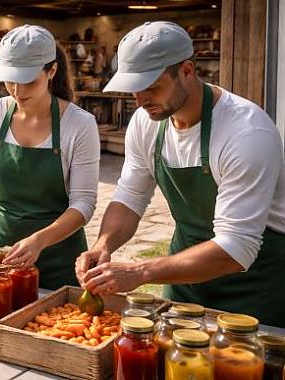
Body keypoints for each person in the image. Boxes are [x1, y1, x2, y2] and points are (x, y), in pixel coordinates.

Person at [75, 21, 285, 327]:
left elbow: (237, 248)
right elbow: (130, 197)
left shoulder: (246, 133)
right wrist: (102, 245)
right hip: (182, 275)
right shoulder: (145, 123)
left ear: (186, 71)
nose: (139, 100)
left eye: (151, 86)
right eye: (134, 87)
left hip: (254, 285)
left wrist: (140, 271)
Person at [0, 25, 100, 290]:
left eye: (28, 81)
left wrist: (40, 240)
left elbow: (84, 204)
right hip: (2, 258)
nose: (17, 91)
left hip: (60, 258)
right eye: (10, 80)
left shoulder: (80, 124)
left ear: (51, 71)